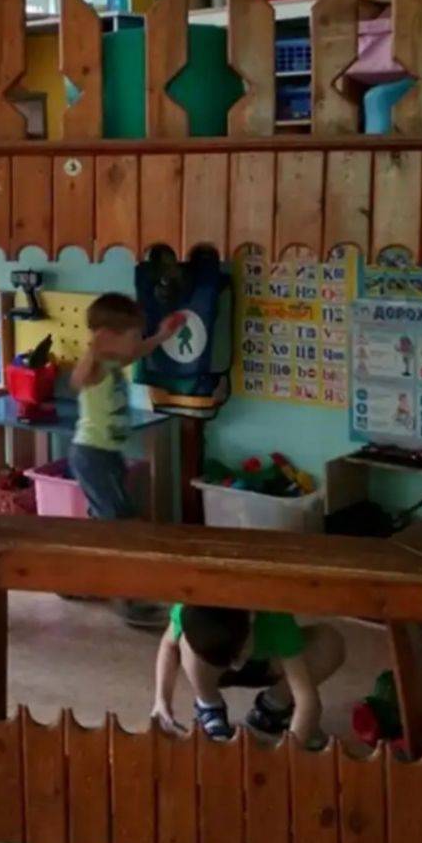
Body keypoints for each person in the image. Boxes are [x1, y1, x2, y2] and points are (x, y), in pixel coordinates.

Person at [68, 293, 184, 627]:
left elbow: (138, 351)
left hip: (106, 455)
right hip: (93, 456)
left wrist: (161, 336)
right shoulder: (95, 367)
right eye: (132, 334)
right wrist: (93, 347)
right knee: (122, 528)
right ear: (108, 336)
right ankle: (128, 598)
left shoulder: (114, 363)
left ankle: (78, 580)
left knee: (104, 525)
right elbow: (77, 380)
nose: (136, 341)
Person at [151, 603, 345, 747]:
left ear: (252, 618)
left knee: (329, 644)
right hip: (211, 670)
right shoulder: (190, 607)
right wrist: (161, 700)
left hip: (267, 664)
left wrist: (290, 753)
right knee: (185, 644)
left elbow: (307, 701)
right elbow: (168, 645)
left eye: (239, 654)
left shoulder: (274, 616)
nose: (235, 666)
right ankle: (209, 705)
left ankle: (274, 708)